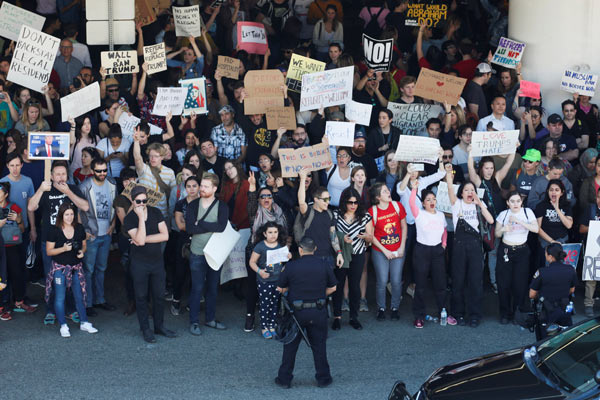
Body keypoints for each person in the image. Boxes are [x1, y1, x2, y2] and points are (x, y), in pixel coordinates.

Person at [28, 161, 89, 326]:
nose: (61, 177)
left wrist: (68, 191)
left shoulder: (72, 189)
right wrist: (41, 188)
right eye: (57, 174)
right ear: (52, 175)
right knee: (51, 277)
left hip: (71, 241)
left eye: (63, 174)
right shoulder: (46, 191)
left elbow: (85, 206)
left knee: (71, 277)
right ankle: (50, 310)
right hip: (50, 241)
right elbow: (31, 206)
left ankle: (70, 309)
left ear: (67, 176)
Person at [275, 236, 337, 389]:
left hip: (297, 313)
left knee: (290, 346)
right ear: (314, 249)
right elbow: (333, 287)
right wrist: (320, 294)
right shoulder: (324, 265)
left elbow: (281, 288)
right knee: (319, 346)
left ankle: (284, 379)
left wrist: (291, 289)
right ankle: (324, 379)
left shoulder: (291, 266)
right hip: (318, 310)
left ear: (300, 250)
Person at [124, 185, 175, 343]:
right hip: (139, 263)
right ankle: (145, 328)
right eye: (138, 201)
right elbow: (138, 239)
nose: (142, 203)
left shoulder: (155, 212)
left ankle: (159, 326)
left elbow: (165, 236)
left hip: (156, 262)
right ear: (132, 201)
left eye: (144, 200)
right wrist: (140, 219)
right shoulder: (130, 218)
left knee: (159, 296)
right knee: (141, 297)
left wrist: (142, 240)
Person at [445, 164, 494, 327]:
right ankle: (457, 313)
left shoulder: (478, 205)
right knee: (458, 280)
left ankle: (475, 314)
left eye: (472, 190)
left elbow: (491, 220)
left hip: (475, 246)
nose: (469, 193)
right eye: (466, 190)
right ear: (461, 192)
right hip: (459, 246)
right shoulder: (456, 203)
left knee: (475, 281)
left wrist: (480, 203)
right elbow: (450, 188)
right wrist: (448, 173)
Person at [185, 173, 229, 335]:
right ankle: (194, 321)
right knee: (197, 287)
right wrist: (210, 225)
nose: (201, 189)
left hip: (215, 252)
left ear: (214, 188)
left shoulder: (222, 206)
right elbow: (190, 228)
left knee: (212, 287)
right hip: (197, 251)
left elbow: (221, 227)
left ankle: (210, 319)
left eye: (205, 186)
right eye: (201, 185)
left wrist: (201, 223)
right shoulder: (193, 205)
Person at [408, 180, 456, 328]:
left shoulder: (441, 215)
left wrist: (444, 245)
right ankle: (419, 316)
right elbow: (411, 203)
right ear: (423, 203)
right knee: (420, 286)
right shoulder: (419, 214)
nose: (431, 202)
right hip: (422, 250)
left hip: (437, 251)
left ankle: (443, 312)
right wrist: (414, 188)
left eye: (433, 199)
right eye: (428, 200)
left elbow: (444, 231)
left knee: (441, 284)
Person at [45, 202, 97, 337]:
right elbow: (49, 251)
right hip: (59, 268)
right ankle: (63, 325)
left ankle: (84, 322)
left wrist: (82, 252)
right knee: (60, 297)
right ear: (61, 215)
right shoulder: (54, 230)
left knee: (79, 296)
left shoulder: (79, 228)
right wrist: (63, 248)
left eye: (72, 214)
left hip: (76, 267)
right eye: (67, 214)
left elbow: (84, 245)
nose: (69, 217)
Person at [245, 170, 288, 332]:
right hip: (255, 253)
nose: (266, 199)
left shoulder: (279, 212)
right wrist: (252, 186)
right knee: (252, 286)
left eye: (269, 196)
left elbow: (284, 235)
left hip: (276, 254)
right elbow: (250, 202)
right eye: (262, 196)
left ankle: (273, 318)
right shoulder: (254, 212)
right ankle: (250, 316)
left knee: (275, 285)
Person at [78, 158, 116, 317]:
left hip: (106, 233)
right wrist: (83, 231)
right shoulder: (85, 186)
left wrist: (113, 225)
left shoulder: (112, 183)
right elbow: (79, 211)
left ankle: (100, 299)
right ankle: (87, 303)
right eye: (99, 171)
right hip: (91, 234)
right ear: (92, 171)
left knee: (101, 268)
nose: (102, 173)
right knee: (89, 270)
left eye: (104, 170)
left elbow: (116, 205)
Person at [331, 188, 373, 330]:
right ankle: (337, 317)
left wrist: (366, 237)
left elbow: (370, 237)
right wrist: (342, 240)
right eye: (350, 202)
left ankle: (354, 317)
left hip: (358, 253)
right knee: (338, 285)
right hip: (341, 253)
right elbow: (332, 235)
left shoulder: (365, 216)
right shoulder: (336, 215)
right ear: (344, 203)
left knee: (355, 285)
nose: (353, 205)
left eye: (355, 202)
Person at [494, 191, 538, 324]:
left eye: (518, 201)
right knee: (504, 283)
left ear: (521, 202)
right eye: (512, 201)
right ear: (507, 203)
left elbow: (535, 229)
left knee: (520, 283)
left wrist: (519, 221)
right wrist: (503, 229)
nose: (515, 204)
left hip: (522, 250)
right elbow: (496, 233)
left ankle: (517, 312)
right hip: (506, 250)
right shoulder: (503, 214)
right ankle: (505, 313)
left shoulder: (527, 212)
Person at [368, 182, 407, 321]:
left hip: (397, 249)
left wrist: (402, 247)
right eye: (384, 191)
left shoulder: (397, 206)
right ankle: (381, 308)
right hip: (380, 250)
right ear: (378, 197)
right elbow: (371, 235)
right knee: (382, 280)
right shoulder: (373, 211)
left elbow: (404, 227)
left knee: (396, 280)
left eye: (387, 190)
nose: (388, 192)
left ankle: (395, 307)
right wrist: (384, 251)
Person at [249, 221, 291, 338]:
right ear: (264, 234)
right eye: (270, 232)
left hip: (278, 280)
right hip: (264, 281)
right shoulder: (260, 246)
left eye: (275, 232)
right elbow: (252, 262)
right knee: (265, 304)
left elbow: (283, 262)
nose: (273, 235)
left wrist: (288, 256)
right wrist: (260, 272)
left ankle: (272, 325)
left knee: (275, 303)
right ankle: (264, 327)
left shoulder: (281, 245)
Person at [529, 242, 577, 331]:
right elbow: (571, 290)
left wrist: (541, 296)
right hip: (564, 309)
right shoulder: (571, 269)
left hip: (547, 311)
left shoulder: (542, 272)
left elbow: (532, 294)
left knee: (545, 338)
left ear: (550, 256)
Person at [535, 179, 573, 267]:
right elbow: (537, 228)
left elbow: (569, 225)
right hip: (545, 243)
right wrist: (552, 241)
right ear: (547, 192)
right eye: (551, 190)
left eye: (557, 190)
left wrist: (557, 208)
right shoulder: (541, 206)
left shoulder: (567, 206)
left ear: (562, 192)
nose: (553, 192)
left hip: (562, 242)